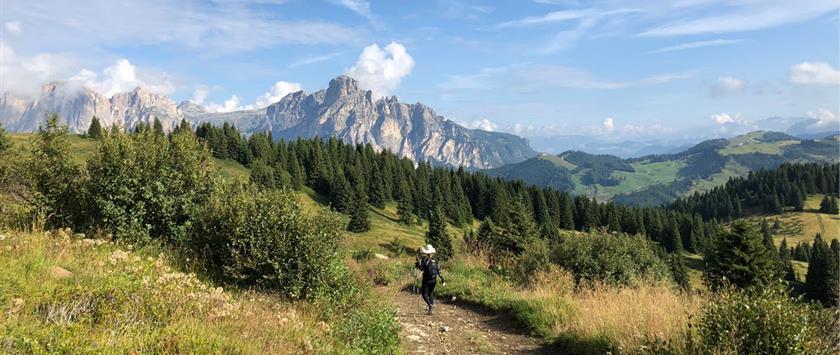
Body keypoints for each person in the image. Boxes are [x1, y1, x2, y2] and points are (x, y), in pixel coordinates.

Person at [415, 244, 445, 315]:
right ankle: (430, 309)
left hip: (426, 280)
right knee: (431, 293)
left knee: (424, 294)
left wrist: (417, 264)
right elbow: (438, 270)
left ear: (426, 252)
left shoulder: (424, 259)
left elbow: (421, 269)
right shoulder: (436, 259)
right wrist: (442, 279)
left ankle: (430, 305)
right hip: (434, 280)